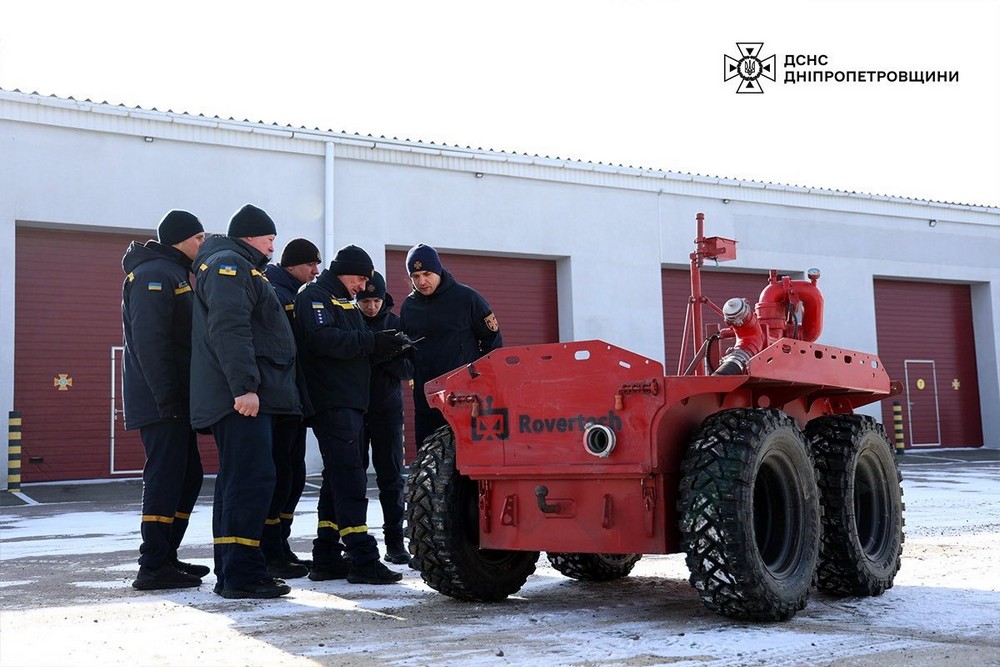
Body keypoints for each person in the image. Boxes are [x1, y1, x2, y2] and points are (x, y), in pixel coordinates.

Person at [190, 203, 302, 599]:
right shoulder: (230, 265)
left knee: (240, 480)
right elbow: (230, 326)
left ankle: (234, 571)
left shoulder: (238, 265)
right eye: (269, 238)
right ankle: (242, 574)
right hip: (241, 398)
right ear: (250, 236)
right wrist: (244, 387)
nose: (273, 246)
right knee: (251, 480)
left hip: (245, 395)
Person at [294, 246, 407, 585]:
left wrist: (387, 347)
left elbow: (354, 348)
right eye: (360, 279)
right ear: (345, 271)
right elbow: (322, 339)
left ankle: (327, 555)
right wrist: (372, 343)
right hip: (334, 402)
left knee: (337, 480)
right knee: (350, 479)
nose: (362, 287)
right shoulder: (315, 296)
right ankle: (362, 558)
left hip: (350, 402)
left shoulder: (342, 300)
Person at [122, 210, 209, 591]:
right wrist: (167, 399)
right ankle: (153, 565)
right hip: (162, 401)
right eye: (199, 238)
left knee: (188, 476)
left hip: (176, 399)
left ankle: (167, 555)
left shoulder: (174, 272)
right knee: (165, 476)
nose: (203, 244)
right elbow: (151, 342)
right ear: (180, 239)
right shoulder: (153, 274)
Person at [400, 244, 503, 448]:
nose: (422, 281)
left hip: (464, 399)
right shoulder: (409, 307)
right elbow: (408, 351)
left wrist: (479, 381)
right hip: (427, 401)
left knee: (467, 457)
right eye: (415, 276)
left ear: (438, 270)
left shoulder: (467, 299)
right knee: (428, 459)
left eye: (427, 274)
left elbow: (492, 343)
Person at [261, 238, 322, 579]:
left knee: (293, 477)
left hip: (293, 400)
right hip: (278, 400)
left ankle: (280, 546)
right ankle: (270, 551)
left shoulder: (293, 293)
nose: (315, 271)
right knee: (280, 476)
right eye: (311, 264)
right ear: (292, 265)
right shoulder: (275, 292)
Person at [357, 271, 413, 565]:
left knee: (391, 479)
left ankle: (395, 542)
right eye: (365, 301)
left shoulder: (396, 324)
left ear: (384, 299)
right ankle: (354, 543)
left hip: (387, 411)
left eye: (376, 301)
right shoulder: (350, 321)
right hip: (355, 410)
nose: (371, 307)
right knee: (352, 478)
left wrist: (383, 356)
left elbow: (410, 368)